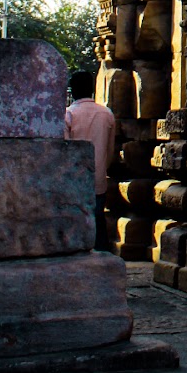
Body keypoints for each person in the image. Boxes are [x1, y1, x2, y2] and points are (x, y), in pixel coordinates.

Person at [64, 72, 117, 253]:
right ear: (92, 89)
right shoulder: (106, 114)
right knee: (97, 219)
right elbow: (110, 151)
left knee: (75, 221)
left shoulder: (69, 115)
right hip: (98, 176)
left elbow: (64, 151)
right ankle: (102, 256)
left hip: (73, 180)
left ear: (73, 90)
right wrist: (102, 168)